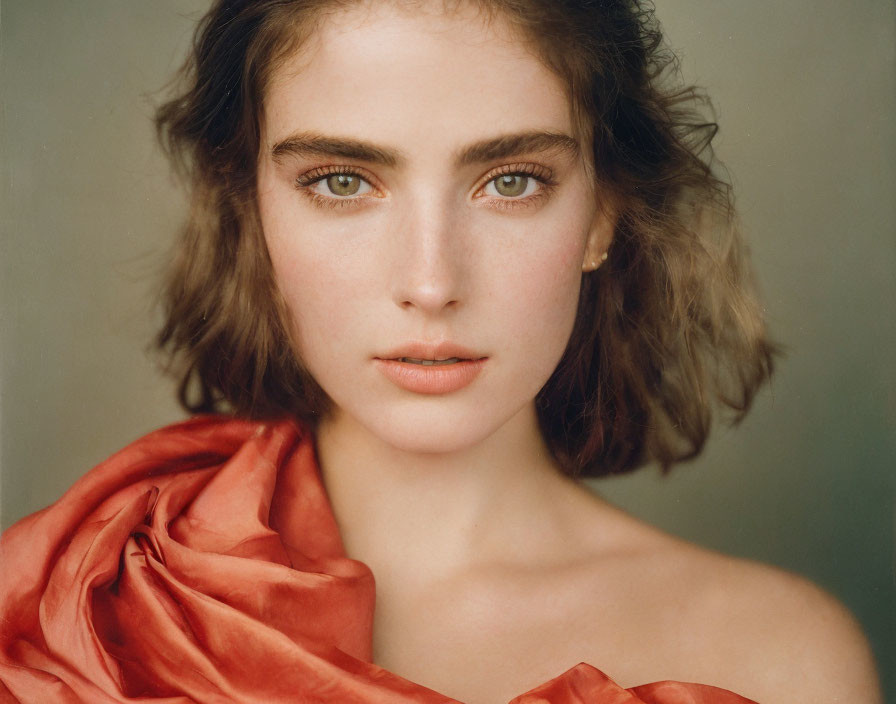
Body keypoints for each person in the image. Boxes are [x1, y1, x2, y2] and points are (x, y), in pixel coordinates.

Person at [0, 1, 882, 702]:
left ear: (604, 211)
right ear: (254, 211)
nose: (430, 282)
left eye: (511, 181)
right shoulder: (85, 600)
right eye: (342, 182)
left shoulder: (781, 660)